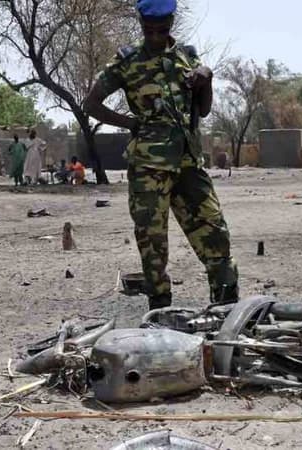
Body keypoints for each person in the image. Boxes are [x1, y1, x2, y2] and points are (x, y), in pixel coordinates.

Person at [83, 0, 239, 310]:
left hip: (188, 163)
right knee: (152, 244)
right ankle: (161, 310)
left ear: (171, 23)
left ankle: (226, 307)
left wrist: (206, 79)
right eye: (149, 30)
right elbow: (91, 104)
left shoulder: (188, 57)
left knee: (215, 231)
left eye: (162, 29)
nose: (155, 36)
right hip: (148, 168)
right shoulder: (127, 62)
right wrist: (132, 123)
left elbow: (203, 109)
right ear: (141, 24)